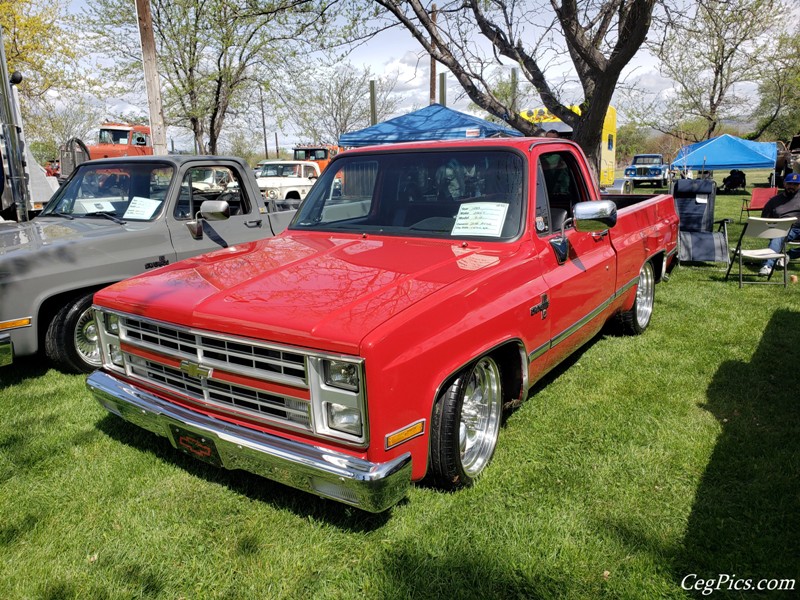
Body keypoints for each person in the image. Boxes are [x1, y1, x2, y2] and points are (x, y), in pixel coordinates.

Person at [759, 171, 800, 275]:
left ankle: (789, 255)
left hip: (798, 228)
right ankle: (767, 265)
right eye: (790, 183)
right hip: (782, 228)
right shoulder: (774, 201)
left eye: (795, 184)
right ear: (784, 183)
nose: (792, 186)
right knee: (778, 235)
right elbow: (764, 219)